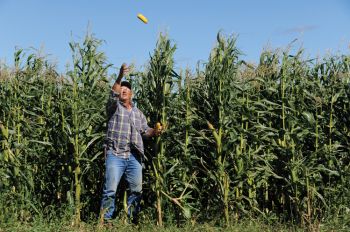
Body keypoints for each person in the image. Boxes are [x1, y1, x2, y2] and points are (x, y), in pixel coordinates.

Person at [100, 63, 161, 224]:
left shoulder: (138, 113)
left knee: (136, 190)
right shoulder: (114, 107)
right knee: (110, 190)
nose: (124, 90)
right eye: (122, 88)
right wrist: (120, 77)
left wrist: (154, 131)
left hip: (134, 157)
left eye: (127, 89)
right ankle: (106, 221)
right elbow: (113, 93)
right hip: (115, 154)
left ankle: (132, 220)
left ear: (132, 94)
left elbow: (145, 131)